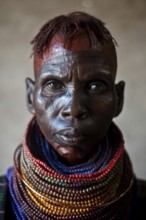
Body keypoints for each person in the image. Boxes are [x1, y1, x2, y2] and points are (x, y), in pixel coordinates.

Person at [0, 11, 146, 220]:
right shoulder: (3, 198)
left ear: (118, 99)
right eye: (53, 85)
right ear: (30, 97)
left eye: (95, 85)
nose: (74, 108)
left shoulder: (139, 200)